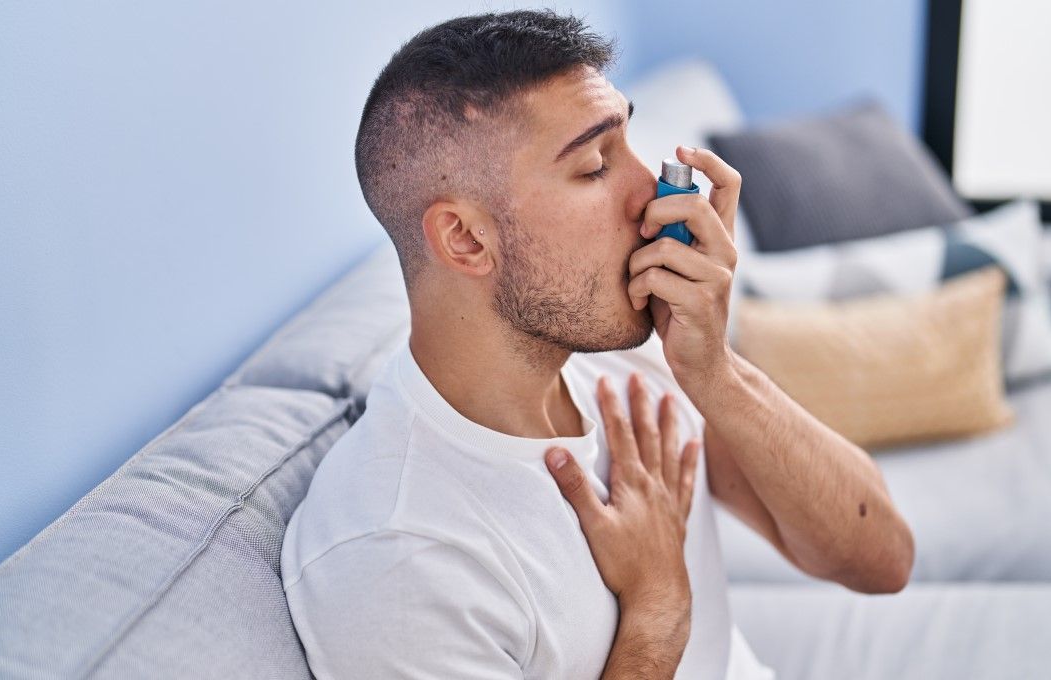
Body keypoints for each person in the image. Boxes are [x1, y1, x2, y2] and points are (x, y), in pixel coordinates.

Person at [280, 9, 914, 678]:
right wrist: (658, 608)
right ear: (465, 239)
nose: (651, 193)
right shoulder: (397, 556)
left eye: (630, 142)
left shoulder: (628, 354)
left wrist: (716, 373)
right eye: (593, 166)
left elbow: (881, 559)